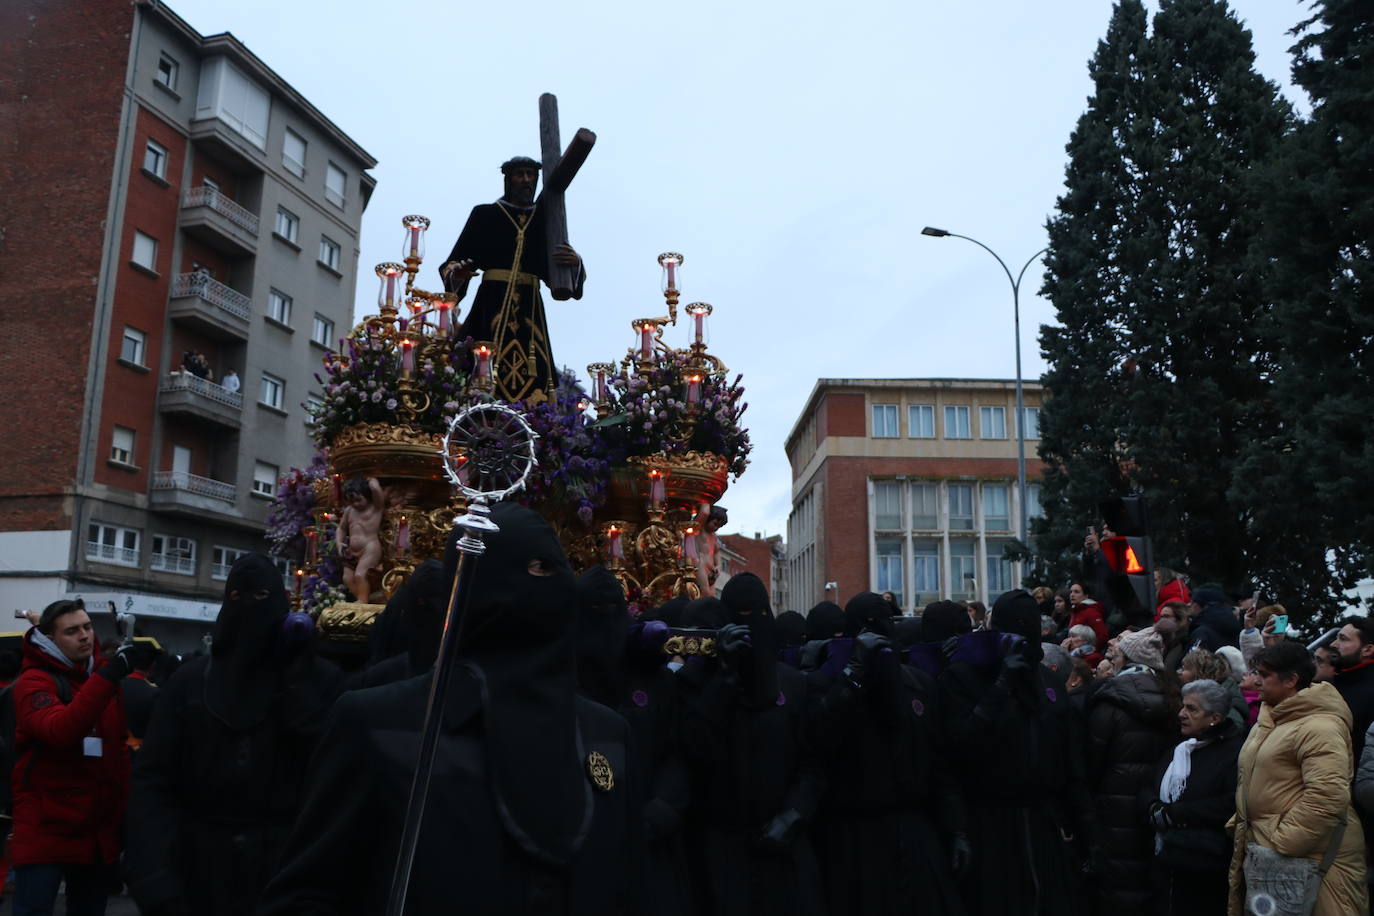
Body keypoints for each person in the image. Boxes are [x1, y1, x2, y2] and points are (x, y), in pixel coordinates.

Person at [259, 504, 640, 914]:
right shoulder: (380, 722)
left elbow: (632, 885)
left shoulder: (606, 733)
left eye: (554, 567)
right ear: (474, 587)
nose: (555, 584)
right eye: (533, 568)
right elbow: (307, 892)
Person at [126, 554, 341, 916]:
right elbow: (153, 783)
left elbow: (332, 783)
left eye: (261, 598)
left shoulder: (318, 680)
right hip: (199, 875)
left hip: (289, 876)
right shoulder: (189, 683)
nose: (250, 611)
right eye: (240, 598)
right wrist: (154, 878)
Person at [807, 592, 967, 916]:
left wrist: (956, 828)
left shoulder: (920, 684)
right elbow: (819, 741)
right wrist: (852, 675)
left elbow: (940, 766)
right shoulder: (828, 684)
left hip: (912, 832)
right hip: (855, 838)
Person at [679, 572, 824, 916]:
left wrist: (794, 813)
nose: (751, 624)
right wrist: (725, 678)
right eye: (740, 616)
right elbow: (694, 749)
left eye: (756, 614)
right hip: (722, 849)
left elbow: (814, 760)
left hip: (784, 849)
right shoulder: (697, 683)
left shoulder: (793, 683)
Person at [941, 589, 1087, 916]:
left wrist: (1087, 838)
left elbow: (1071, 765)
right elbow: (957, 750)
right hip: (989, 830)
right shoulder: (964, 677)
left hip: (1044, 829)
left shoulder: (1047, 682)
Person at [9, 599, 135, 916]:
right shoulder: (33, 681)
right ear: (49, 639)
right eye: (72, 631)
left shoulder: (101, 679)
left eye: (87, 627)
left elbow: (117, 752)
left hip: (95, 834)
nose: (85, 636)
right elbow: (59, 731)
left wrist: (126, 820)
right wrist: (106, 680)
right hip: (45, 830)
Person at [1228, 640, 1368, 916]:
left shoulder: (1320, 726)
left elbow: (1327, 796)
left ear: (1291, 680)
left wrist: (1282, 844)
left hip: (1312, 861)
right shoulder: (1271, 719)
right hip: (1273, 858)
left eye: (1264, 675)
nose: (1256, 681)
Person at [438, 156, 585, 404]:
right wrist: (457, 275)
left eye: (531, 175)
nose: (526, 180)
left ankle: (539, 424)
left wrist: (576, 263)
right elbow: (452, 263)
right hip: (491, 303)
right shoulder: (485, 214)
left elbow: (561, 281)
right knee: (474, 367)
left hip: (531, 310)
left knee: (538, 375)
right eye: (520, 174)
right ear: (508, 179)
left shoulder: (546, 220)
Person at [1085, 626, 1182, 916]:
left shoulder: (1110, 700)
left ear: (1127, 660)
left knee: (1117, 885)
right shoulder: (1174, 700)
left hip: (1113, 806)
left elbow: (1092, 759)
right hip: (1157, 804)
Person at [1145, 679, 1243, 916]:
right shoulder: (1179, 747)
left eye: (1192, 709)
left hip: (1203, 864)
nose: (1182, 714)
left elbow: (1230, 803)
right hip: (1166, 861)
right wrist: (1152, 808)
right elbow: (1149, 785)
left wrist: (1174, 814)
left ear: (1215, 718)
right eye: (1183, 706)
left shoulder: (1233, 753)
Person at [336, 476, 385, 603]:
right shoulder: (349, 511)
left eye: (359, 499)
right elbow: (341, 528)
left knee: (360, 575)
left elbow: (376, 490)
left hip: (370, 547)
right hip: (351, 550)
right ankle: (363, 597)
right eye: (352, 501)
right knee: (347, 578)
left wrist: (370, 480)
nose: (356, 504)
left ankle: (362, 601)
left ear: (367, 496)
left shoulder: (376, 507)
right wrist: (339, 543)